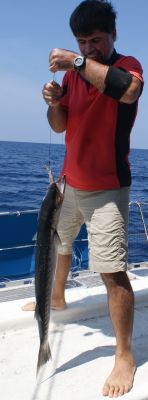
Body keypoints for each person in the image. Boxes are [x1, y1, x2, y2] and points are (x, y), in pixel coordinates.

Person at [26, 0, 144, 396]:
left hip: (108, 187)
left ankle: (124, 355)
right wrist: (54, 102)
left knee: (111, 272)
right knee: (58, 243)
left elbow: (127, 92)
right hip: (69, 183)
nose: (89, 47)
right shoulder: (74, 77)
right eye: (82, 41)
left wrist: (77, 61)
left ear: (112, 36)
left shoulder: (127, 65)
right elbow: (60, 126)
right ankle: (55, 297)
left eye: (96, 40)